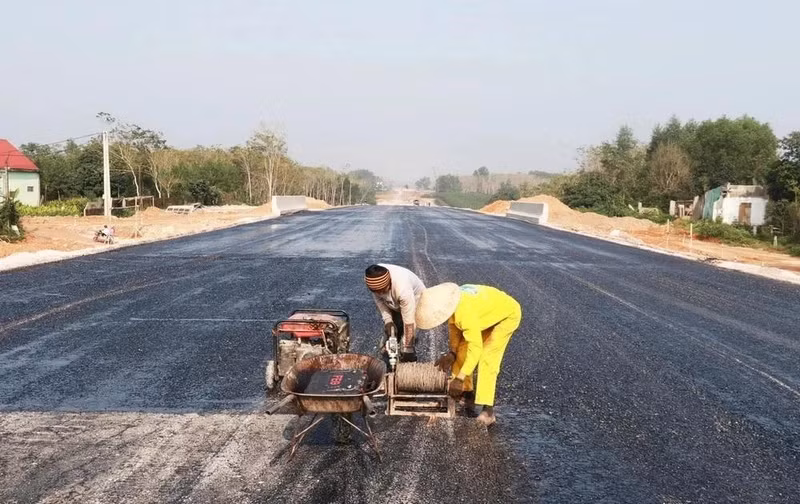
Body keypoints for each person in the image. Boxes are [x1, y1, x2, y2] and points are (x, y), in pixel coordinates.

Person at [415, 282, 522, 427]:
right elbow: (454, 329)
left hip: (506, 316)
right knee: (461, 351)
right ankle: (467, 394)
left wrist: (459, 378)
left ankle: (488, 411)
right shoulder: (452, 304)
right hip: (485, 314)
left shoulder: (464, 313)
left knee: (487, 358)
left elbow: (475, 348)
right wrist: (452, 352)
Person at [364, 264, 426, 362]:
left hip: (415, 298)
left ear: (390, 282)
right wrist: (388, 321)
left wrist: (408, 348)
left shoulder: (403, 288)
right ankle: (392, 353)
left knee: (407, 334)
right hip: (394, 297)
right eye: (377, 291)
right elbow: (380, 301)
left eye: (382, 290)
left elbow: (409, 321)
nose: (380, 294)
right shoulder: (373, 278)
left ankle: (407, 351)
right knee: (392, 331)